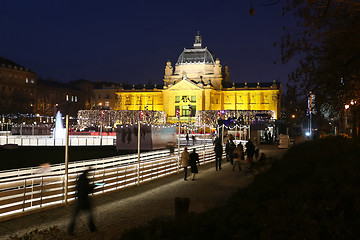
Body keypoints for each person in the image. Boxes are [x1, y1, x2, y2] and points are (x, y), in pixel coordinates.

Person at [68, 168, 96, 235]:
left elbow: (76, 188)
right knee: (90, 214)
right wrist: (93, 187)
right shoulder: (86, 180)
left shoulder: (79, 179)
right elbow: (87, 189)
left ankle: (70, 230)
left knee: (75, 216)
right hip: (85, 200)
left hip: (79, 199)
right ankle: (92, 228)